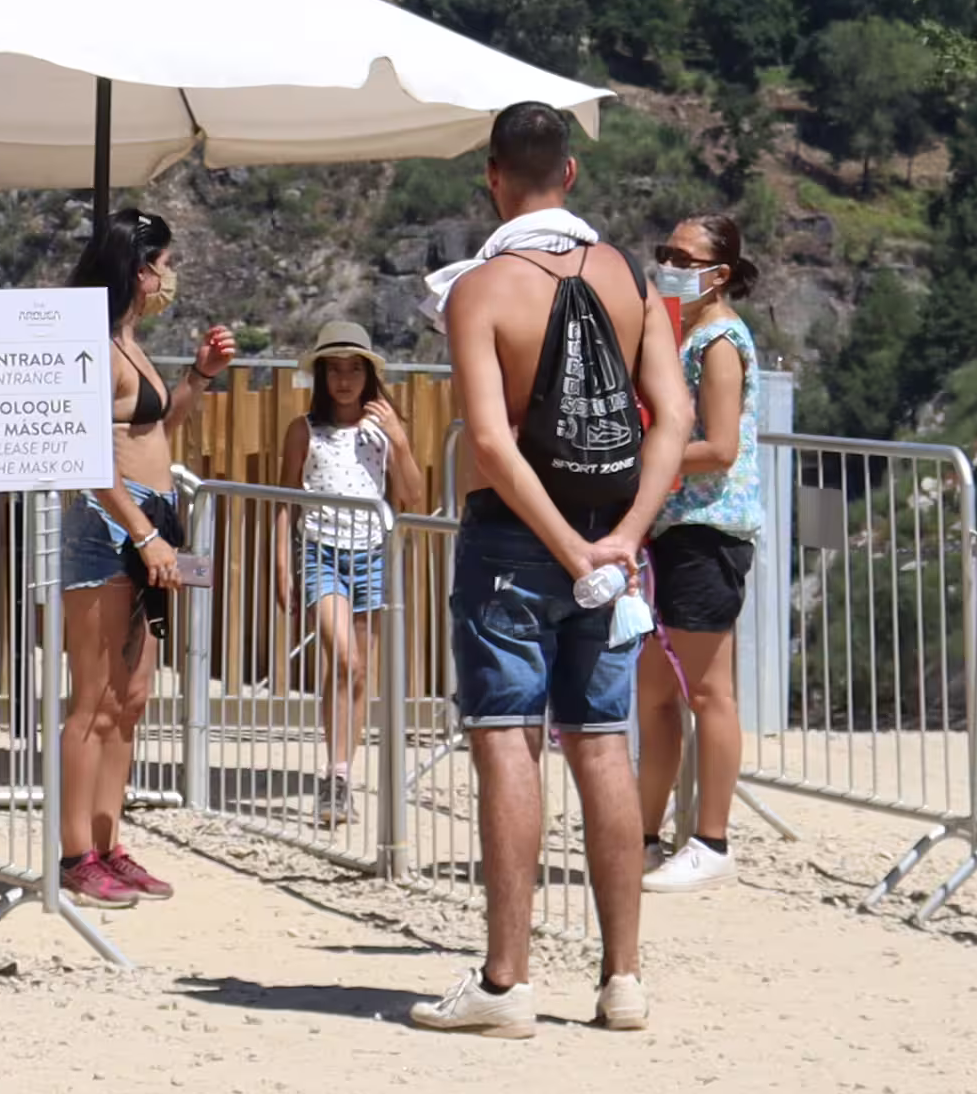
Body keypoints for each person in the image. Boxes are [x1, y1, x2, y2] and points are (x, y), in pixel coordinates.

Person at [413, 101, 686, 1035]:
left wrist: (562, 551)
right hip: (612, 531)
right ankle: (624, 979)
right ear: (570, 174)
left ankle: (507, 983)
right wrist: (621, 539)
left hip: (514, 544)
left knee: (507, 741)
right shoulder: (625, 277)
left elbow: (491, 441)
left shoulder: (482, 291)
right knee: (602, 743)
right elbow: (674, 422)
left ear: (492, 176)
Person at [53, 208, 236, 908]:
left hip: (149, 519)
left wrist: (199, 374)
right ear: (139, 266)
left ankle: (108, 840)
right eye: (164, 261)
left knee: (130, 700)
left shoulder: (127, 341)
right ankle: (76, 851)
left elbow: (159, 428)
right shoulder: (95, 347)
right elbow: (88, 454)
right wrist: (142, 533)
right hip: (110, 523)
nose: (169, 276)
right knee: (93, 697)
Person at [637, 212, 763, 889]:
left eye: (681, 256)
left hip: (706, 528)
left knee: (709, 692)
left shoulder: (718, 340)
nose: (668, 265)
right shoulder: (680, 333)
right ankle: (642, 837)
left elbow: (720, 447)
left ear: (718, 274)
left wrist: (646, 458)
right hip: (672, 528)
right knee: (654, 693)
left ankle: (710, 839)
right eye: (664, 253)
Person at [290, 317, 407, 826]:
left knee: (357, 671)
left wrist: (400, 442)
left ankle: (341, 773)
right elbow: (283, 499)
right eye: (334, 369)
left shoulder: (381, 432)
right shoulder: (305, 430)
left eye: (353, 370)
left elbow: (412, 497)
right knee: (346, 658)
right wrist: (280, 562)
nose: (343, 380)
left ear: (368, 376)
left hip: (371, 555)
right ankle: (336, 773)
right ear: (320, 375)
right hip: (320, 552)